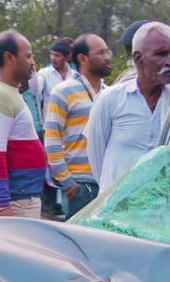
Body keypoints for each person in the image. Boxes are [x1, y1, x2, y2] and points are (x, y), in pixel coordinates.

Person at [85, 22, 170, 191]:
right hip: (117, 210)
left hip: (160, 210)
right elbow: (97, 160)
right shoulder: (110, 99)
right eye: (161, 54)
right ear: (138, 59)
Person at [44, 33, 111, 220]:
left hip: (106, 183)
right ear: (83, 58)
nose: (107, 57)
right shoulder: (63, 91)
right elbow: (52, 139)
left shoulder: (109, 93)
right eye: (101, 53)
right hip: (80, 185)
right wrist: (68, 184)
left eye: (108, 52)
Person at [0, 30, 47, 218]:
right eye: (27, 56)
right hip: (16, 201)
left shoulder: (11, 92)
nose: (32, 62)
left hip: (25, 196)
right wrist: (3, 205)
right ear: (9, 58)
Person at [37, 37, 79, 112]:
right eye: (51, 54)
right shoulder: (44, 74)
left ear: (67, 57)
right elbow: (35, 91)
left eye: (57, 55)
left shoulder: (76, 76)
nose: (53, 58)